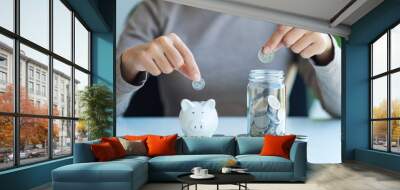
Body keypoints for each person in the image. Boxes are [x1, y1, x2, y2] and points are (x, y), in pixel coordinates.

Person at [117, 0, 341, 117]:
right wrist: (126, 69)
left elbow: (342, 109)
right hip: (183, 150)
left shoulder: (296, 10)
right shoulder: (155, 9)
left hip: (269, 147)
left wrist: (326, 51)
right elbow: (102, 113)